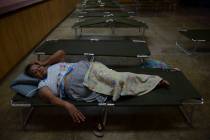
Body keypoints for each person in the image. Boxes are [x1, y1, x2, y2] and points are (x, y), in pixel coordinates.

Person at [25, 50, 170, 124]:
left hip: (89, 69)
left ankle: (155, 81)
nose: (38, 70)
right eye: (34, 72)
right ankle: (147, 84)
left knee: (120, 77)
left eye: (37, 67)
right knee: (117, 84)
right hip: (80, 86)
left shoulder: (52, 64)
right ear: (34, 77)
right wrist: (67, 105)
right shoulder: (42, 85)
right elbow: (50, 98)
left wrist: (44, 63)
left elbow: (62, 52)